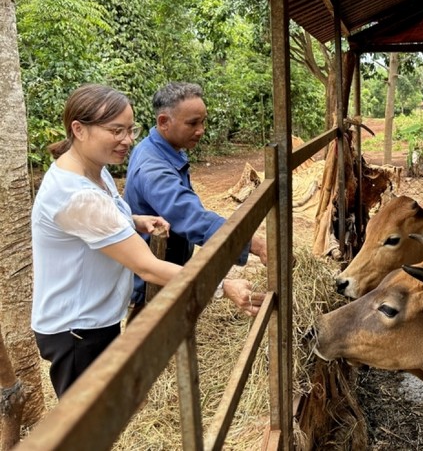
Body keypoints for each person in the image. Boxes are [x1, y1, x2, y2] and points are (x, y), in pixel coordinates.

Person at [30, 84, 264, 398]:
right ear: (79, 129)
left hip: (96, 318)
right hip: (77, 331)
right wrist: (222, 285)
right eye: (116, 131)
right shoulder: (79, 194)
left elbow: (102, 217)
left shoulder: (94, 173)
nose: (128, 140)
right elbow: (148, 268)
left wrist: (134, 220)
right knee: (89, 429)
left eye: (130, 129)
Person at [124, 82, 267, 310]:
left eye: (203, 121)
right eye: (192, 123)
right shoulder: (153, 168)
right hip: (153, 286)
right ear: (163, 122)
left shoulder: (163, 150)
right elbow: (191, 216)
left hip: (169, 274)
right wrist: (252, 243)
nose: (201, 130)